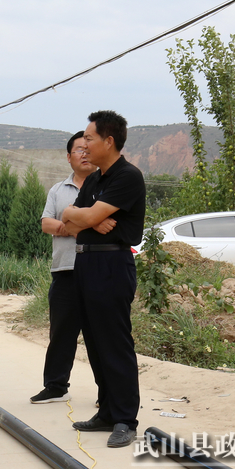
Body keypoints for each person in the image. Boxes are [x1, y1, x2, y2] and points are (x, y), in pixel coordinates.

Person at [61, 110, 146, 448]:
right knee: (95, 342)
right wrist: (92, 219)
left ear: (109, 142)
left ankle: (126, 417)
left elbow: (83, 215)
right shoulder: (95, 180)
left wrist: (89, 217)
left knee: (115, 342)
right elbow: (67, 220)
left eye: (90, 140)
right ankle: (107, 411)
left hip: (113, 263)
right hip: (84, 264)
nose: (84, 146)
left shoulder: (128, 176)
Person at [30, 130, 107, 404]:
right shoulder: (58, 190)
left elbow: (109, 227)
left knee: (100, 334)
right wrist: (77, 227)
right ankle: (56, 386)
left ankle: (107, 392)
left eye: (88, 149)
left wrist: (73, 225)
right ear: (68, 157)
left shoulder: (107, 187)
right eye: (78, 150)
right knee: (61, 331)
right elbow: (45, 223)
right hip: (64, 270)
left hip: (98, 271)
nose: (84, 154)